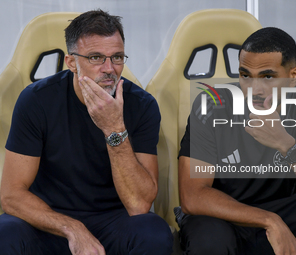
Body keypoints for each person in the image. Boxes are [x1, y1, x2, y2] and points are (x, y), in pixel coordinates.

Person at [0, 10, 173, 255]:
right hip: (49, 220)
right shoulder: (36, 100)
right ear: (71, 62)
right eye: (95, 58)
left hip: (113, 221)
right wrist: (72, 229)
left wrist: (114, 128)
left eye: (117, 57)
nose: (109, 69)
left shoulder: (142, 105)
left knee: (154, 231)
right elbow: (11, 195)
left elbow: (139, 204)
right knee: (6, 232)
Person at [177, 27, 296, 255]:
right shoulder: (212, 104)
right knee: (209, 243)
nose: (254, 89)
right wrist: (269, 220)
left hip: (284, 208)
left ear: (293, 77)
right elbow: (192, 196)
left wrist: (288, 145)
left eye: (268, 77)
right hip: (220, 215)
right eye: (245, 76)